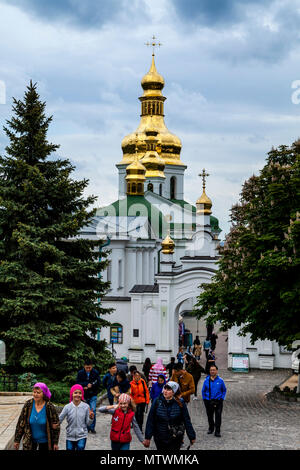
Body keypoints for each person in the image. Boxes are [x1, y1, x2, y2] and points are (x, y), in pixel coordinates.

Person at [144, 381, 196, 451]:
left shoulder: (180, 403)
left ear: (174, 392)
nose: (165, 391)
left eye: (168, 390)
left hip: (175, 437)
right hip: (160, 437)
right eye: (165, 389)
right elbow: (150, 420)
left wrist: (191, 436)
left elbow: (186, 420)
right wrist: (148, 437)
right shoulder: (157, 401)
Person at [14, 382, 60, 451]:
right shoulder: (28, 404)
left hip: (46, 442)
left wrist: (55, 443)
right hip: (29, 441)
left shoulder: (49, 407)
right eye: (34, 392)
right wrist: (17, 440)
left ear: (43, 394)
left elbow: (56, 426)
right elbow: (21, 423)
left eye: (38, 393)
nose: (35, 394)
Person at [58, 384, 94, 450]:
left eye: (80, 393)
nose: (77, 395)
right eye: (75, 393)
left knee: (80, 447)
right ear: (72, 394)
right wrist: (54, 423)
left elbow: (88, 423)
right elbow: (59, 419)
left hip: (82, 435)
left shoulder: (86, 407)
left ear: (82, 395)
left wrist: (91, 418)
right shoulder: (67, 407)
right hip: (70, 435)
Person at [76, 359, 101, 434]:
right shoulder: (80, 373)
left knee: (92, 411)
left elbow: (99, 382)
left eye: (89, 367)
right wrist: (85, 385)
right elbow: (78, 382)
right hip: (84, 395)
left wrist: (92, 385)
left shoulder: (95, 372)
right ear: (84, 366)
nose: (88, 369)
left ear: (92, 366)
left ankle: (92, 427)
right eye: (87, 367)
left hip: (93, 394)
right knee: (84, 412)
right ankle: (85, 427)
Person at [202, 365, 227, 437]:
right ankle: (211, 428)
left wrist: (222, 398)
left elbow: (224, 390)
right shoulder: (206, 380)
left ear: (216, 371)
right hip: (208, 401)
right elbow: (203, 390)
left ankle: (217, 431)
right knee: (210, 415)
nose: (212, 371)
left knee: (218, 416)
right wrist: (204, 399)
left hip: (218, 401)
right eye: (211, 370)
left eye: (214, 370)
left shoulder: (220, 380)